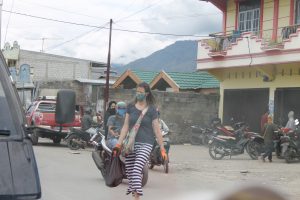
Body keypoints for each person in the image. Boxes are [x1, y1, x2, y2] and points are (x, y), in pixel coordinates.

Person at [113, 82, 167, 200]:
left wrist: (162, 149)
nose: (138, 94)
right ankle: (135, 197)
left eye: (141, 92)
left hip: (146, 143)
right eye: (137, 92)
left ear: (146, 94)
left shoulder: (152, 109)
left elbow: (157, 130)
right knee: (131, 172)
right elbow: (126, 126)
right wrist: (118, 144)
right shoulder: (130, 107)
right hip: (131, 145)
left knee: (137, 169)